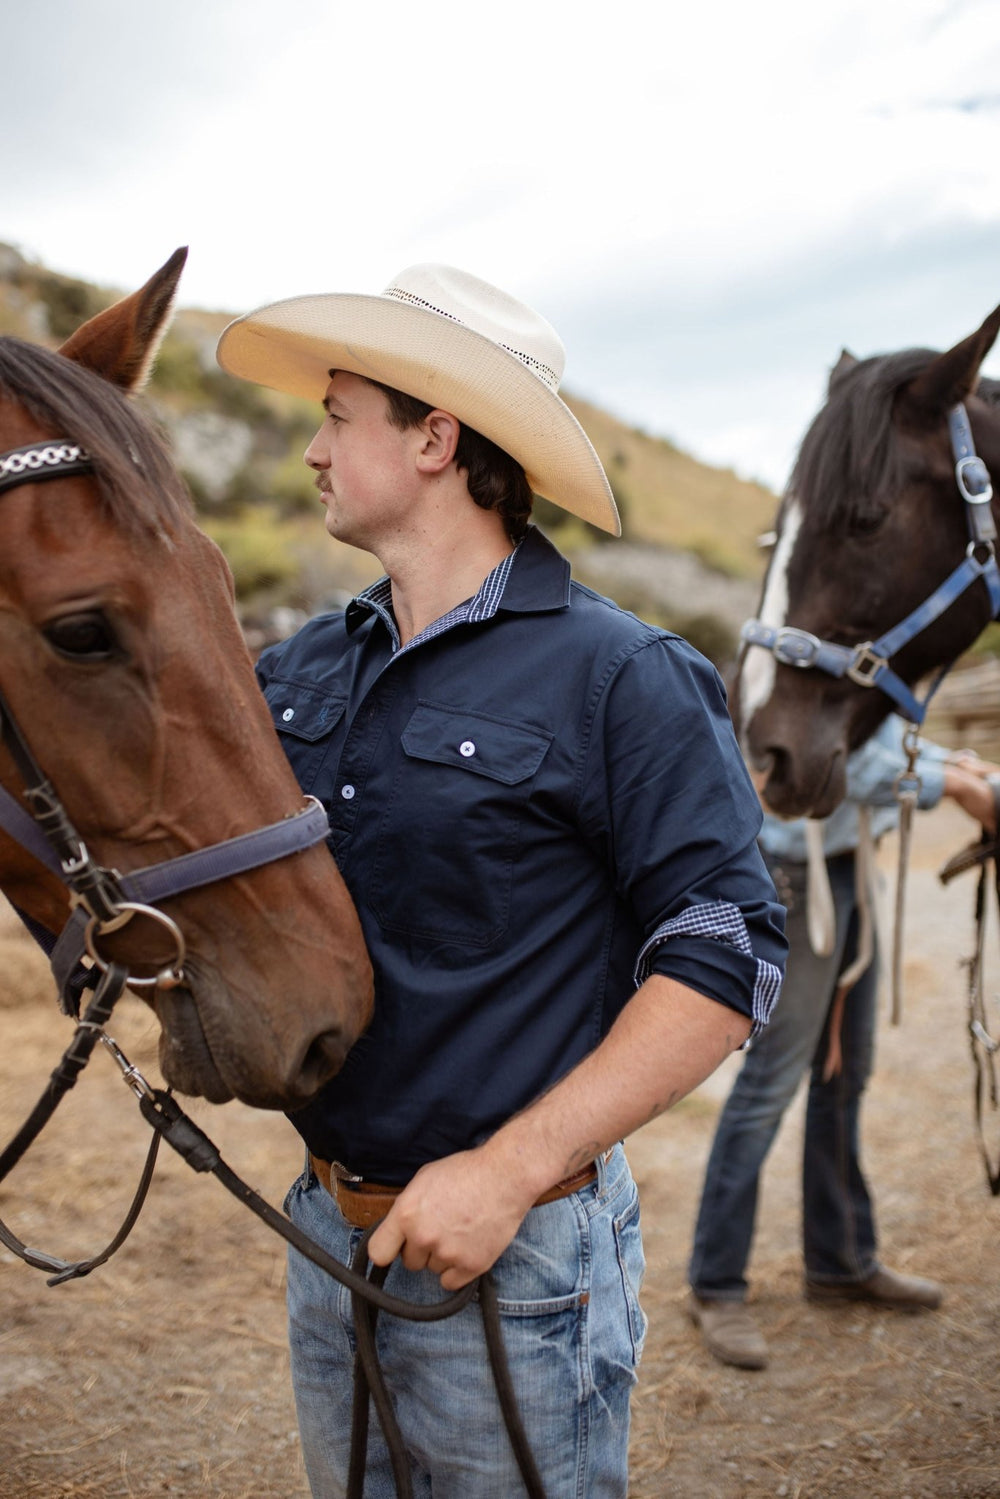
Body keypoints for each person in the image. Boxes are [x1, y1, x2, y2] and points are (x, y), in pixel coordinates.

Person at [215, 264, 787, 1497]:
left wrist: (509, 1170)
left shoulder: (621, 673)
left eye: (337, 416)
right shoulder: (298, 668)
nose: (312, 450)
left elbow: (725, 954)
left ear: (435, 438)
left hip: (520, 1251)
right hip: (324, 1232)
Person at [687, 714, 998, 1371]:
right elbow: (825, 763)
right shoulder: (800, 656)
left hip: (850, 864)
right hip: (799, 875)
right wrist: (955, 785)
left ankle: (840, 1260)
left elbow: (878, 734)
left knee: (845, 1072)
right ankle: (715, 1282)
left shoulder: (867, 659)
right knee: (770, 1082)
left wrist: (954, 762)